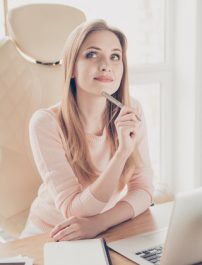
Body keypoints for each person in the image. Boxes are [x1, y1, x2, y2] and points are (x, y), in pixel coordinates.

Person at [20, 19, 154, 240]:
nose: (106, 65)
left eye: (115, 56)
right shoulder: (45, 123)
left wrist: (99, 223)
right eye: (92, 54)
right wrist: (121, 153)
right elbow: (74, 211)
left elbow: (144, 189)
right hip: (51, 233)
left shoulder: (132, 111)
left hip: (103, 229)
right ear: (72, 68)